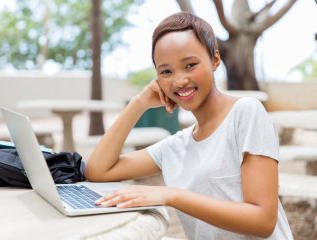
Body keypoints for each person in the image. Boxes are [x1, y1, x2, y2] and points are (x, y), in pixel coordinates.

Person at [85, 12, 293, 239]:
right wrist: (139, 103)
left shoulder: (246, 113)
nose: (179, 80)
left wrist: (171, 195)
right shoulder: (176, 146)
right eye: (166, 71)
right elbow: (98, 170)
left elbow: (263, 220)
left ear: (215, 60)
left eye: (190, 65)